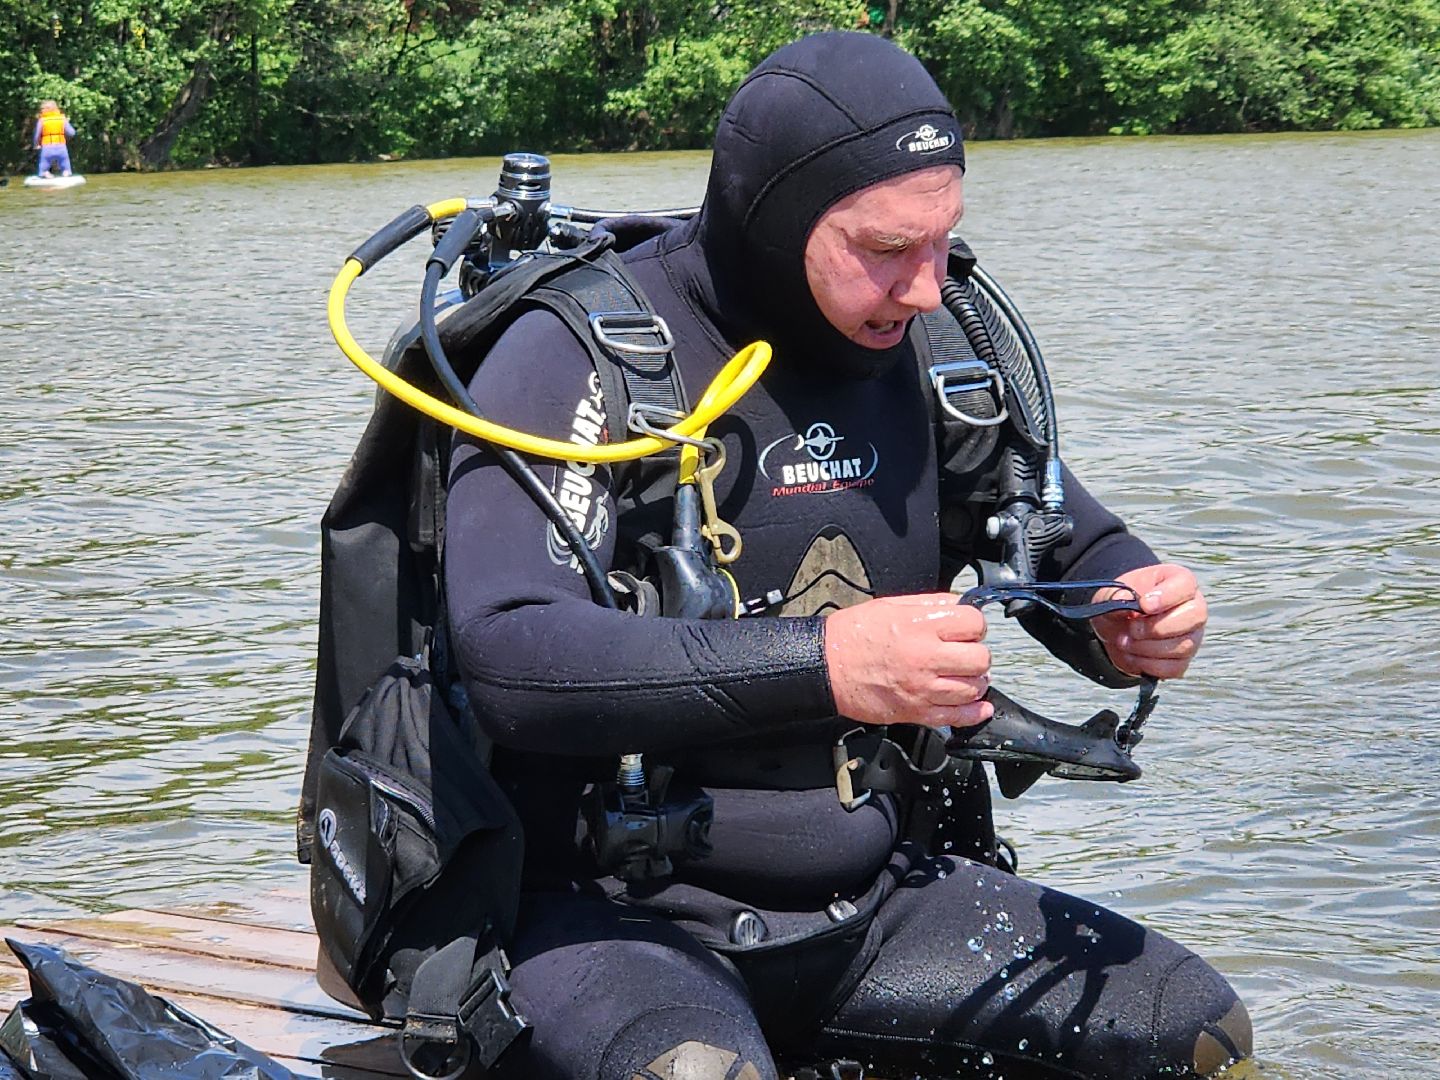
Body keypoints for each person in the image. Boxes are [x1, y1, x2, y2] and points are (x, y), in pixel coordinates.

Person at [442, 31, 1252, 1080]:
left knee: (1196, 1036)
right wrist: (829, 664)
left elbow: (1056, 532)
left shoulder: (942, 346)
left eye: (941, 240)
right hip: (607, 924)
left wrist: (1131, 606)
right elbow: (509, 654)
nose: (925, 285)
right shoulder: (574, 353)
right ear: (772, 219)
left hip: (876, 908)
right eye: (883, 248)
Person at [33, 100, 75, 177]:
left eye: (42, 109)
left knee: (44, 165)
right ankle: (66, 172)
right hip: (61, 147)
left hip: (47, 147)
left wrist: (36, 144)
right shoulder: (62, 118)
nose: (41, 110)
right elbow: (72, 132)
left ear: (46, 109)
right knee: (65, 163)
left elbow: (37, 135)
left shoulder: (42, 120)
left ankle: (44, 173)